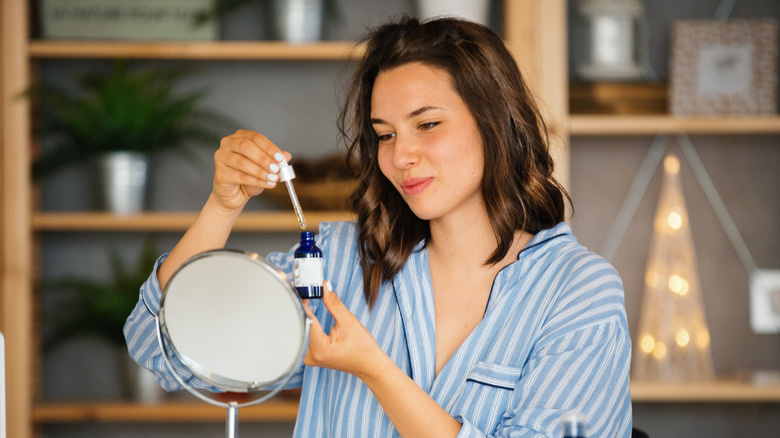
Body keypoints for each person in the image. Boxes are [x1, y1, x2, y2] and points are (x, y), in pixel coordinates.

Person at [124, 15, 632, 437]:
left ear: (495, 123)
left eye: (427, 125)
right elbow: (158, 346)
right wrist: (222, 204)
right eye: (384, 135)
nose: (400, 155)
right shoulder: (338, 263)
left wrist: (375, 369)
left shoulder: (578, 293)